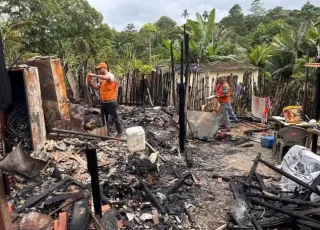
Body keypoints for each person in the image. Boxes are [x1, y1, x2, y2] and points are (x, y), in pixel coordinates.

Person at [87, 62, 122, 138]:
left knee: (115, 118)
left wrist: (94, 75)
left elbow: (106, 78)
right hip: (103, 102)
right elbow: (97, 87)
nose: (99, 70)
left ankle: (119, 132)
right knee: (104, 119)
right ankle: (106, 133)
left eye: (100, 69)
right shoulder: (101, 80)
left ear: (104, 68)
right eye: (98, 69)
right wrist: (91, 83)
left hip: (111, 102)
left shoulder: (110, 76)